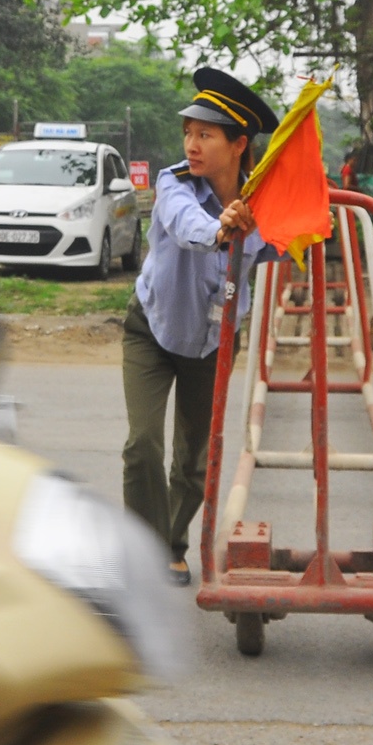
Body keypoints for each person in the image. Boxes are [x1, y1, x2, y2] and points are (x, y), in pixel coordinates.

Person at [122, 68, 279, 587]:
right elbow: (190, 227)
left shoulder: (263, 201)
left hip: (213, 341)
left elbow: (285, 241)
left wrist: (290, 217)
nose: (191, 144)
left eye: (205, 135)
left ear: (238, 145)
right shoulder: (173, 183)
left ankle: (171, 542)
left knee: (194, 461)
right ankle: (144, 549)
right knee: (143, 444)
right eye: (188, 131)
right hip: (151, 328)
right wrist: (220, 228)